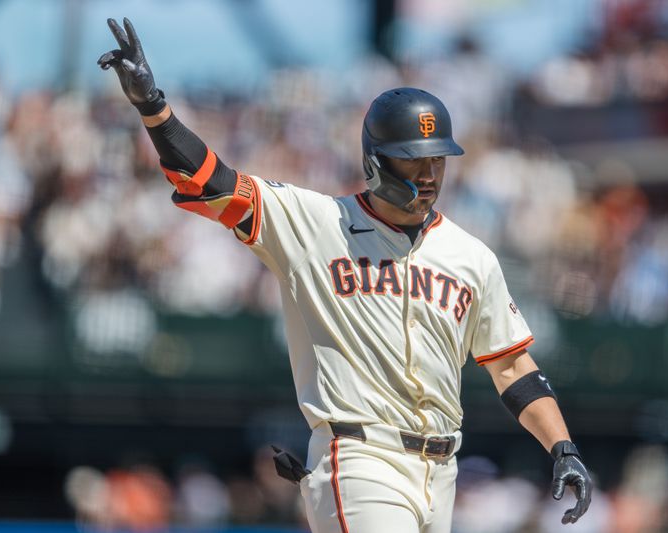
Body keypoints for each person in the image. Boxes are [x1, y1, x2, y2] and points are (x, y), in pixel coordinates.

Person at [98, 17, 592, 533]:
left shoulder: (472, 257)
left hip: (443, 474)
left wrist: (563, 448)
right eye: (413, 161)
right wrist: (154, 108)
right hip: (360, 459)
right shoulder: (314, 222)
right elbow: (209, 183)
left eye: (436, 160)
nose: (427, 175)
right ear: (377, 162)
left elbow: (513, 369)